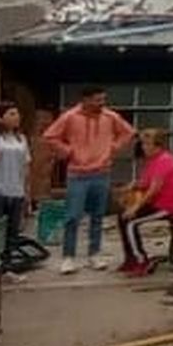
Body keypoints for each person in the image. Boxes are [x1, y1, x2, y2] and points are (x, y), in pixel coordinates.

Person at [42, 86, 135, 274]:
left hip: (102, 171)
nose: (101, 104)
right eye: (97, 100)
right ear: (85, 100)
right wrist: (68, 151)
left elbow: (129, 132)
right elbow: (50, 136)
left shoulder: (110, 117)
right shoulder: (70, 116)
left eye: (103, 100)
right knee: (72, 217)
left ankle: (95, 254)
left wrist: (113, 148)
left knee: (98, 216)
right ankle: (68, 257)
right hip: (77, 173)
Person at [117, 129, 173, 275]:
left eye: (146, 144)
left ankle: (141, 261)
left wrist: (136, 207)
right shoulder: (153, 161)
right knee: (122, 217)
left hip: (168, 206)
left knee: (130, 221)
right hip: (158, 203)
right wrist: (133, 185)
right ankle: (130, 258)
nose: (143, 147)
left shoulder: (164, 160)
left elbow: (153, 190)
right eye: (143, 144)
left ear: (157, 145)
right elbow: (145, 183)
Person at [0, 102, 29, 254]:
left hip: (16, 191)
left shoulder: (21, 139)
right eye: (12, 114)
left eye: (17, 113)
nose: (17, 117)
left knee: (12, 232)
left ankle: (8, 266)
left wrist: (27, 191)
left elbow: (26, 165)